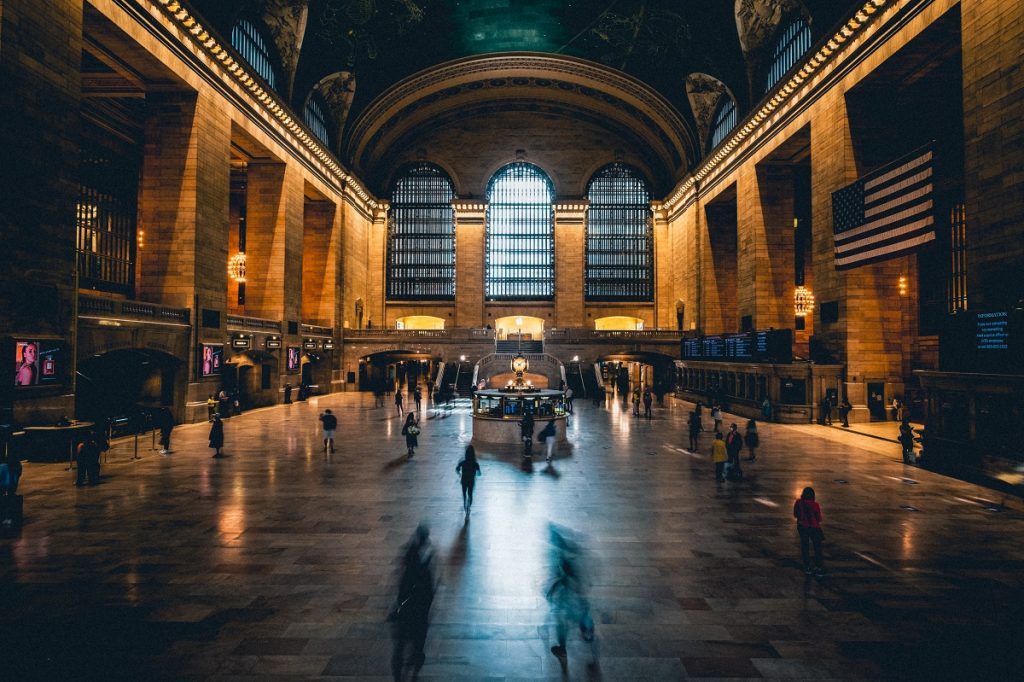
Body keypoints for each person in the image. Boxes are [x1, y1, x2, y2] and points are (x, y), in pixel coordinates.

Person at [389, 525, 435, 682]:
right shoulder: (426, 560)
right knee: (416, 646)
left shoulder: (411, 554)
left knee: (400, 647)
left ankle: (399, 676)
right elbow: (430, 592)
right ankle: (413, 670)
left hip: (406, 609)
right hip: (419, 612)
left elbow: (401, 587)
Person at [546, 524, 595, 664]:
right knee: (583, 613)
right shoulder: (574, 552)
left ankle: (562, 650)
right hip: (580, 593)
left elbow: (565, 576)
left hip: (569, 595)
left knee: (562, 623)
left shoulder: (563, 556)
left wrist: (553, 589)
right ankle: (588, 631)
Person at [794, 487, 824, 575]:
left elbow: (795, 514)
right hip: (814, 527)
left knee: (805, 546)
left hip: (802, 526)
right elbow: (819, 519)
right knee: (817, 548)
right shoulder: (815, 505)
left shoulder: (798, 502)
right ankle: (818, 567)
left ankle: (807, 566)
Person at [455, 445, 482, 512]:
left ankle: (464, 502)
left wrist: (459, 474)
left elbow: (457, 469)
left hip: (464, 480)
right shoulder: (475, 463)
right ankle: (469, 505)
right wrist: (475, 474)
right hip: (471, 480)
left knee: (464, 492)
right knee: (470, 493)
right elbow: (479, 474)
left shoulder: (462, 462)